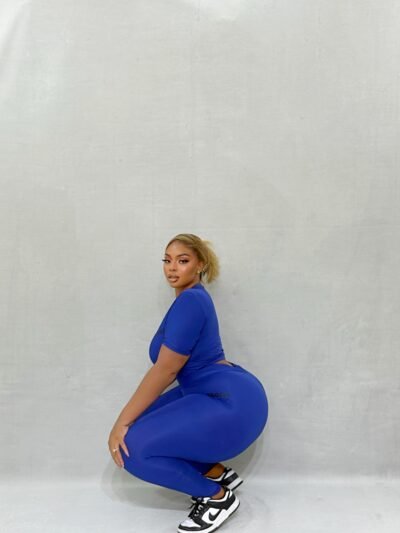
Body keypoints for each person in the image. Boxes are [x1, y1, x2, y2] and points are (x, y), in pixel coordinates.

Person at [108, 233, 269, 533]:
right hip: (219, 391)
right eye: (167, 260)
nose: (172, 268)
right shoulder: (191, 299)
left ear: (200, 265)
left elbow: (166, 370)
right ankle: (214, 472)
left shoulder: (191, 301)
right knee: (142, 426)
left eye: (182, 261)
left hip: (229, 401)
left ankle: (216, 498)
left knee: (130, 446)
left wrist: (120, 422)